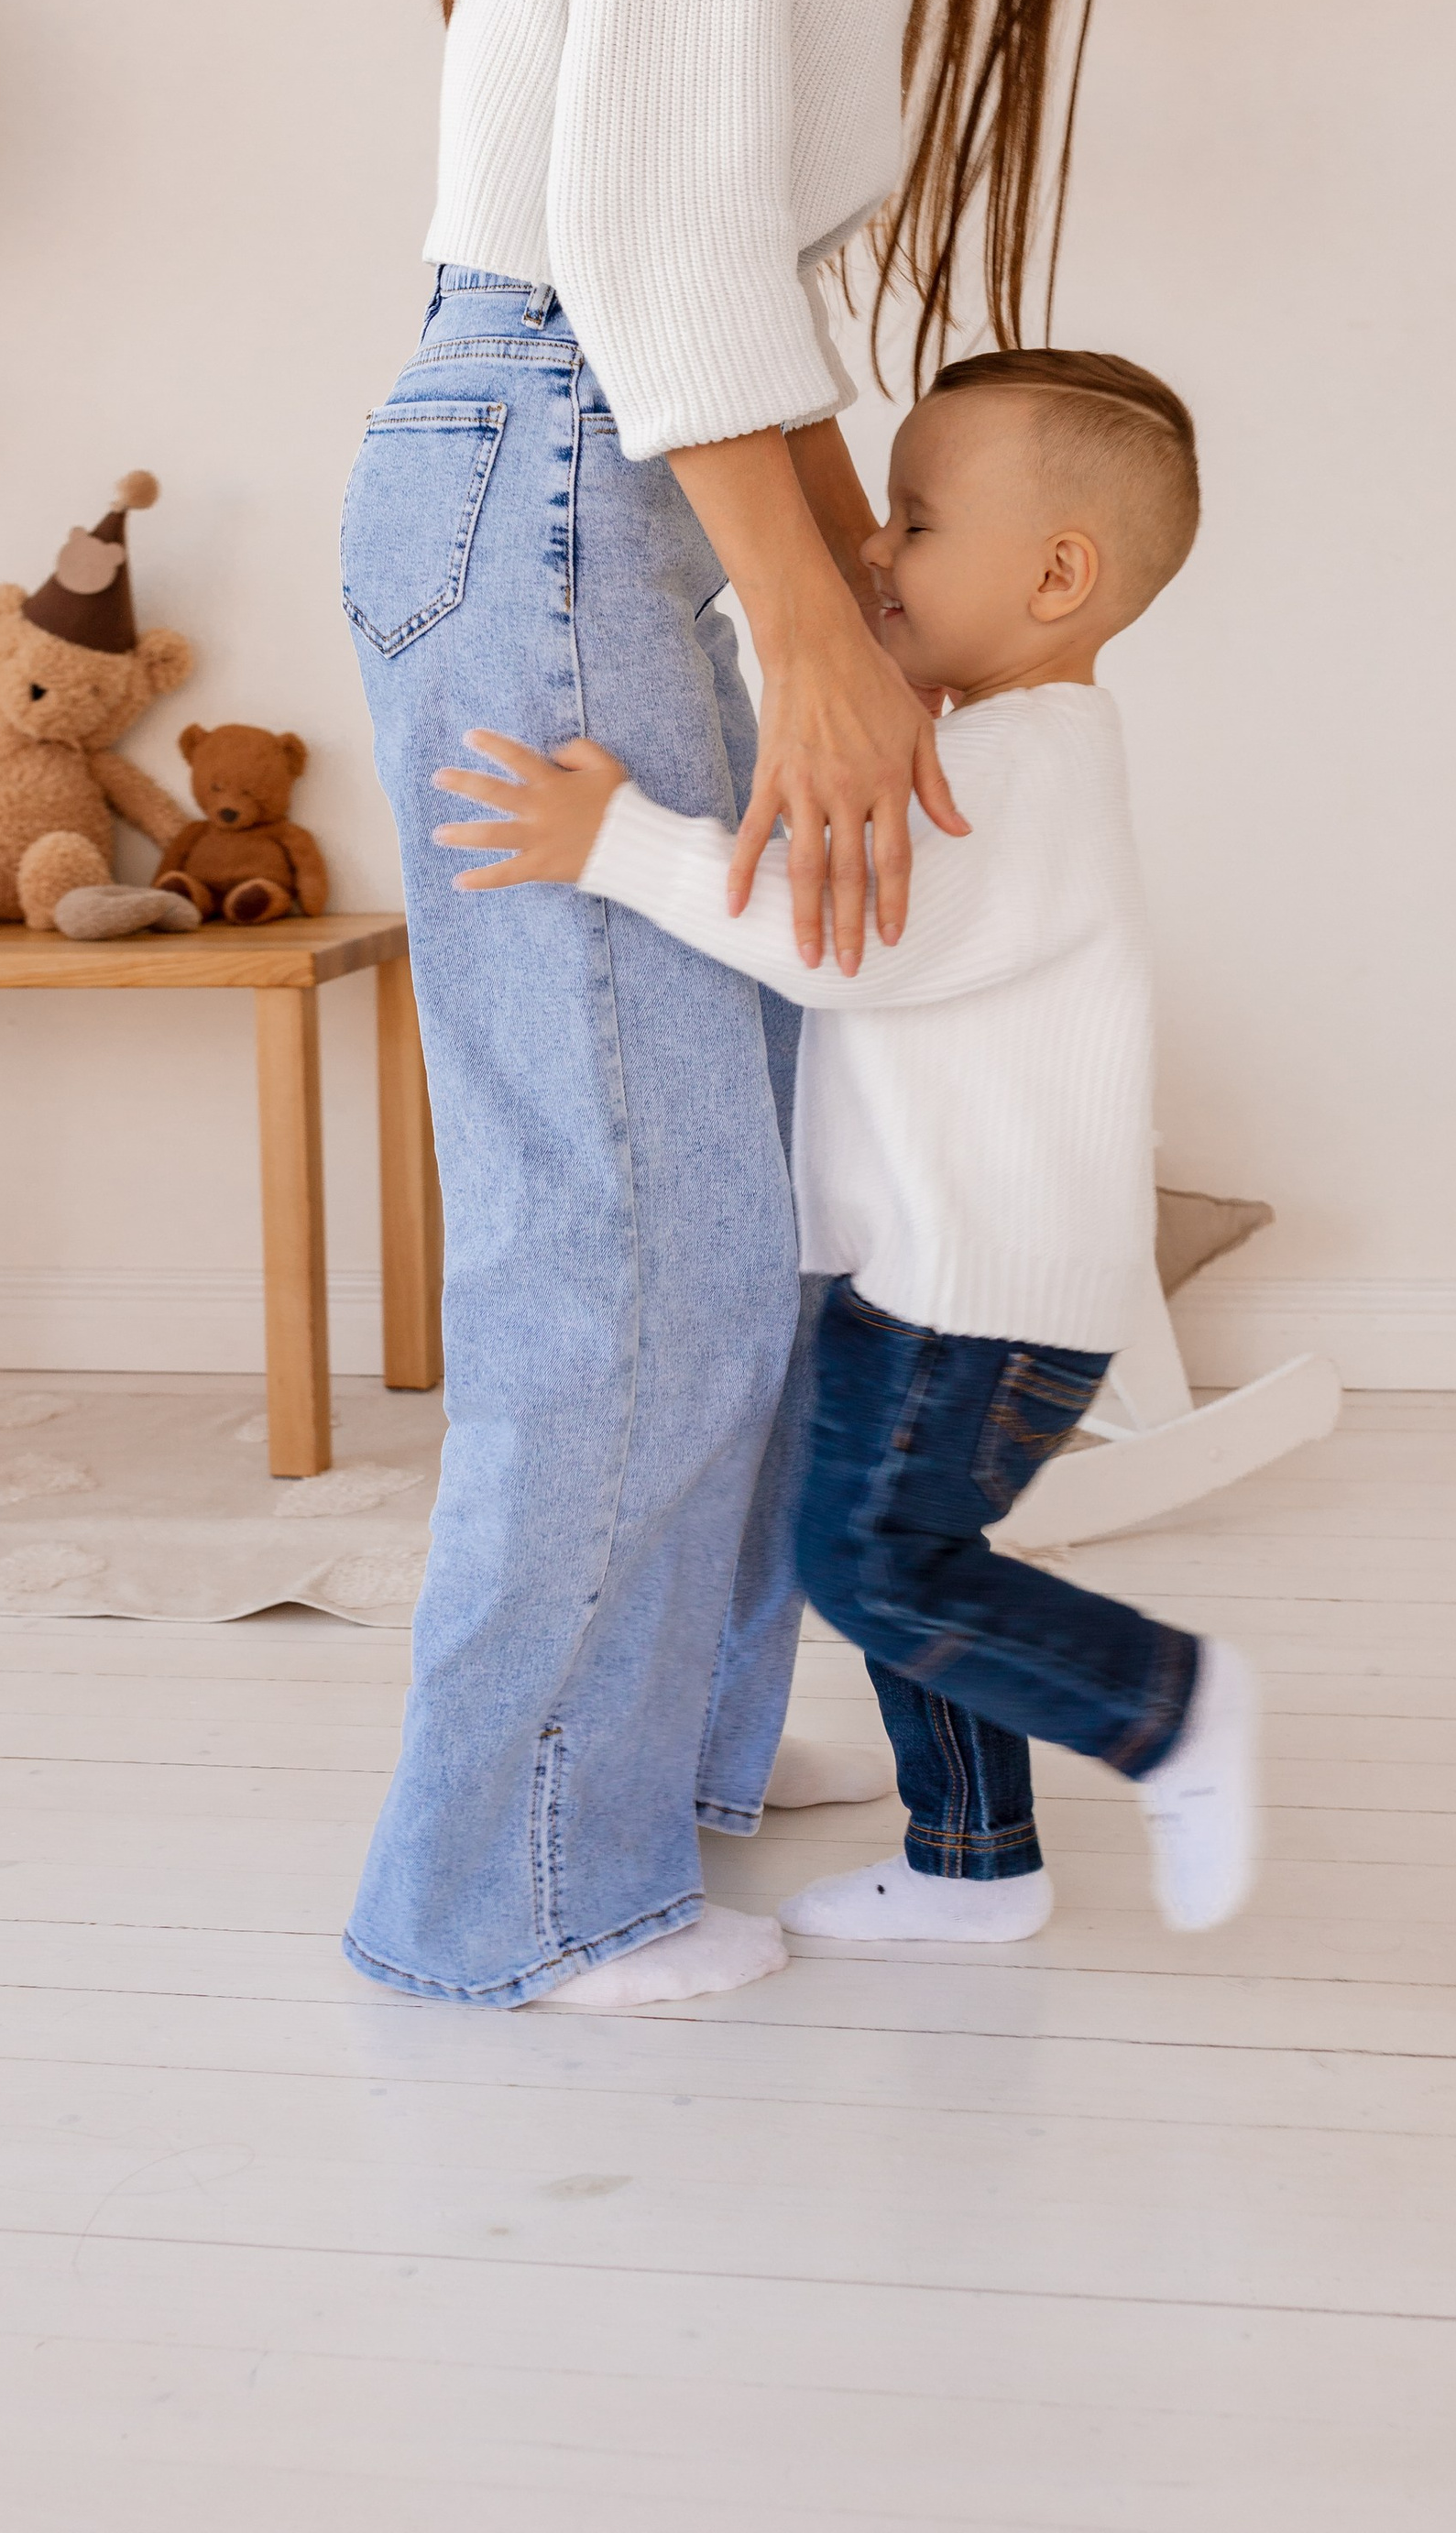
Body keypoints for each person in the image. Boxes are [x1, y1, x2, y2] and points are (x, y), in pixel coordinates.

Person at [340, 0, 1245, 2010]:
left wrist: (844, 568)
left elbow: (707, 234)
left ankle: (677, 1767)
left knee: (718, 1197)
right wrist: (822, 627)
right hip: (565, 461)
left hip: (605, 457)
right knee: (629, 1234)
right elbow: (642, 231)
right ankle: (516, 1889)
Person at [433, 350, 1260, 1946]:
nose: (870, 551)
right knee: (900, 1564)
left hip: (985, 1301)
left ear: (1057, 576)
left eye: (914, 520)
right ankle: (975, 1865)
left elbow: (846, 947)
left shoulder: (1020, 770)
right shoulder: (999, 748)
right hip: (934, 1280)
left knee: (880, 1568)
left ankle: (1161, 1703)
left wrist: (617, 845)